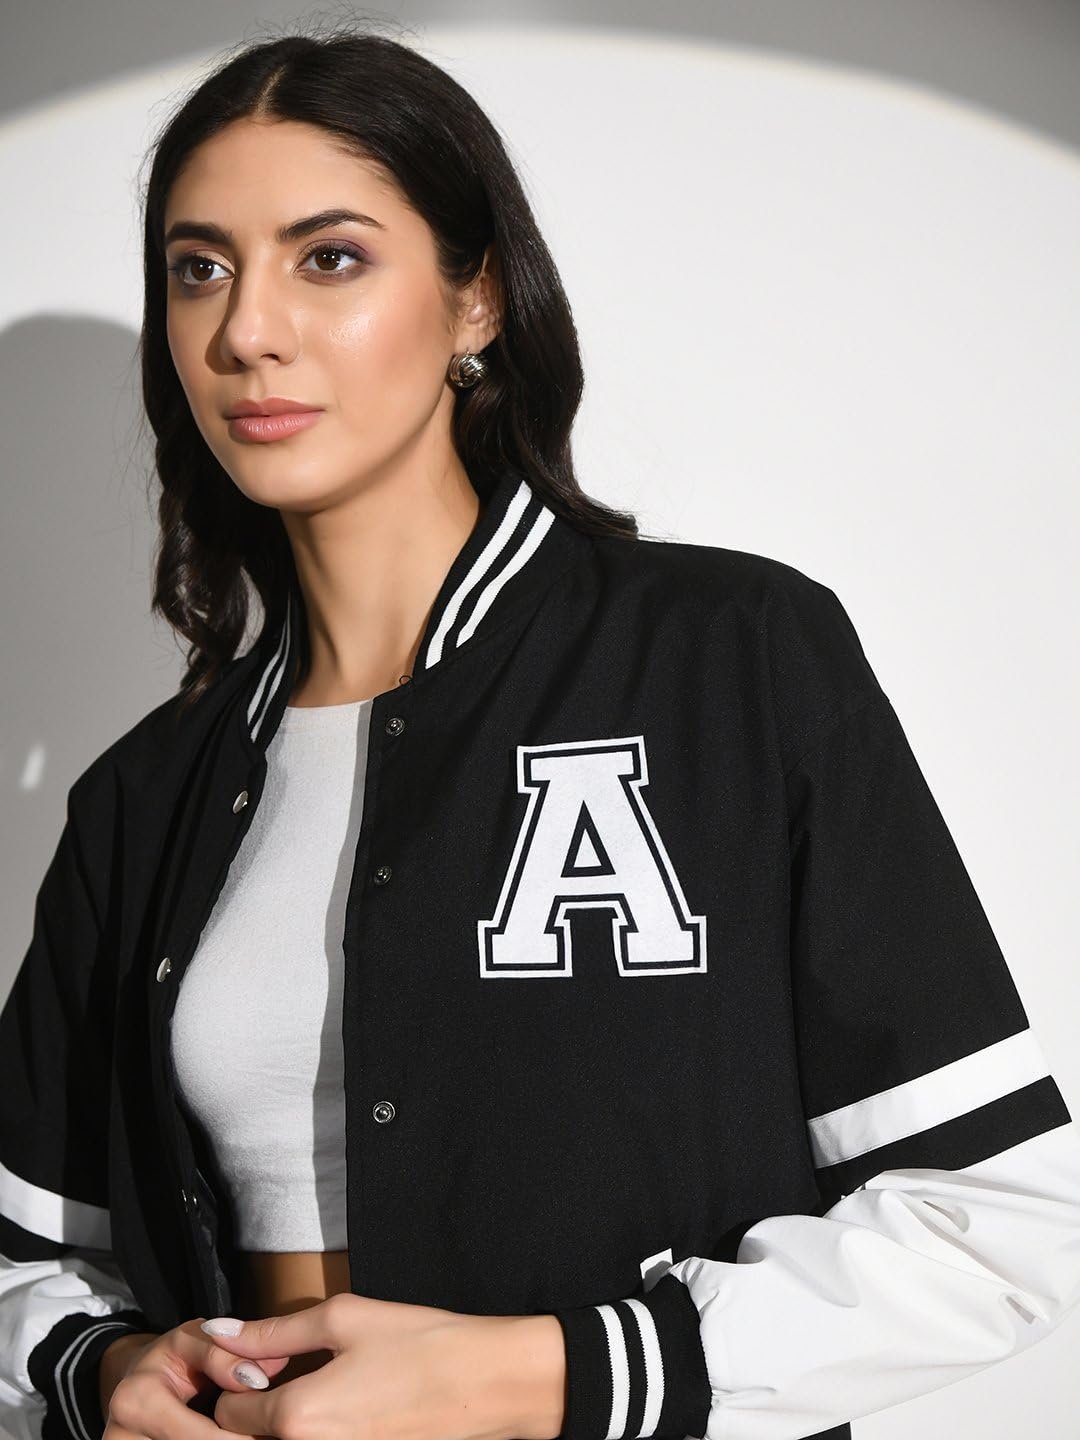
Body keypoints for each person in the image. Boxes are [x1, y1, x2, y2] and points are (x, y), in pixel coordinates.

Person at [2, 21, 1080, 1440]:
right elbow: (27, 1265)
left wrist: (536, 1377)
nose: (245, 331)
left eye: (330, 259)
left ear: (477, 302)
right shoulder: (146, 798)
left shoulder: (731, 661)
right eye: (201, 267)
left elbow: (997, 1224)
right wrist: (102, 1371)